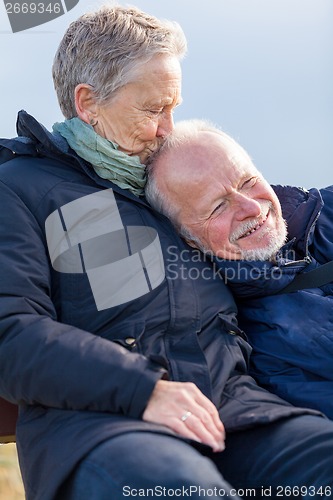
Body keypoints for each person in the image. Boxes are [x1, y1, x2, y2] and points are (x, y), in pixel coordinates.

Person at [0, 5, 333, 500]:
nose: (166, 128)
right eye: (154, 109)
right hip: (105, 426)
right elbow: (9, 331)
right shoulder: (20, 189)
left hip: (237, 413)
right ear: (89, 103)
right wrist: (142, 389)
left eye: (173, 107)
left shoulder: (169, 186)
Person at [145, 118, 333, 419]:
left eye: (249, 182)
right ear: (186, 238)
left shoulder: (325, 209)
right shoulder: (257, 342)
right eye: (218, 207)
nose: (252, 208)